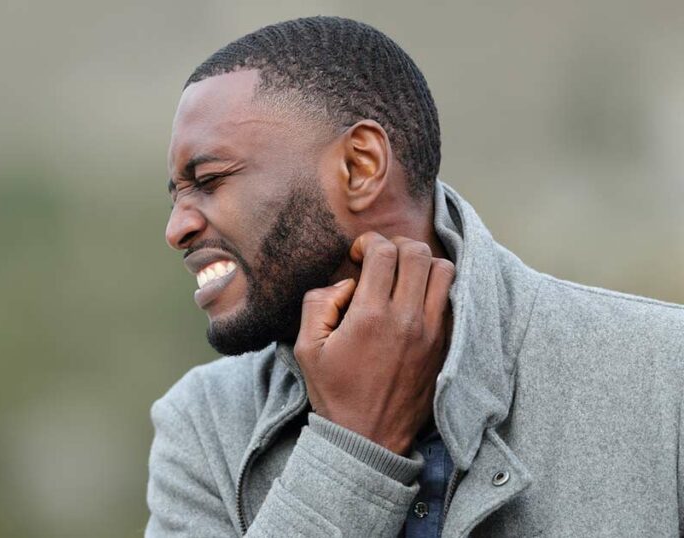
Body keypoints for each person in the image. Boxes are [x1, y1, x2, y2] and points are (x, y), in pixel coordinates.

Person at [146, 16, 684, 538]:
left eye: (210, 180)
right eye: (177, 196)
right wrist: (352, 447)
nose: (177, 228)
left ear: (360, 166)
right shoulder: (203, 426)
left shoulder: (666, 375)